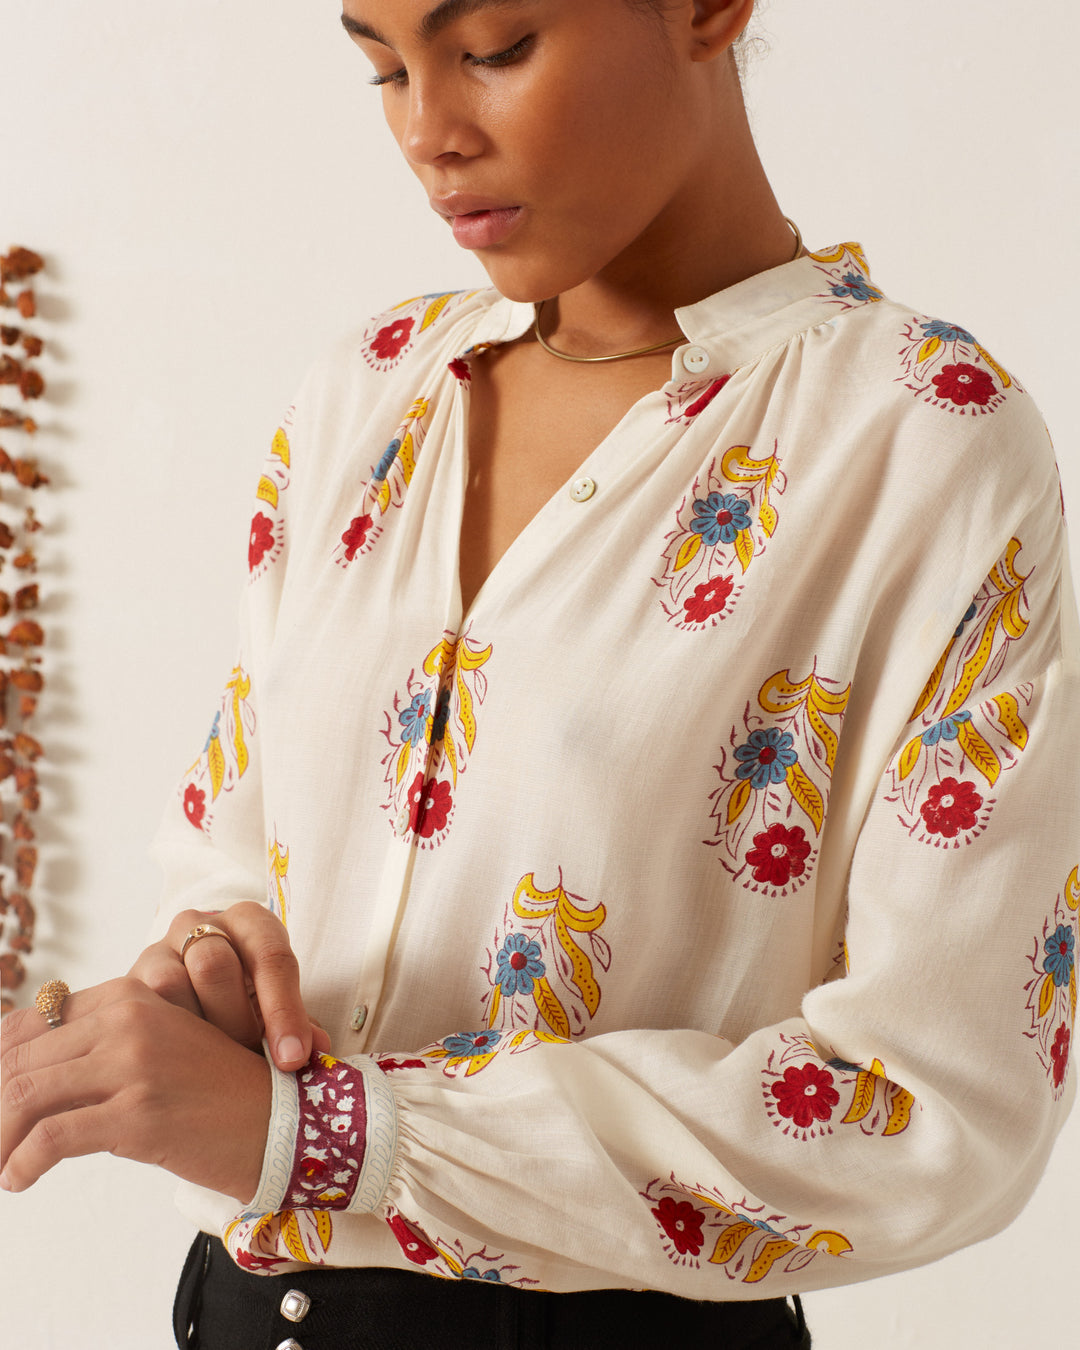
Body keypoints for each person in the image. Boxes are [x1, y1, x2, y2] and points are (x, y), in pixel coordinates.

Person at [2, 2, 1077, 1346]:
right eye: (381, 67)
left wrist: (334, 1132)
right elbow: (237, 850)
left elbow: (942, 1102)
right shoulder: (369, 391)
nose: (426, 133)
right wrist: (220, 964)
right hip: (241, 1309)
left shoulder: (920, 440)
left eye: (495, 49)